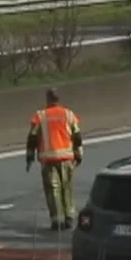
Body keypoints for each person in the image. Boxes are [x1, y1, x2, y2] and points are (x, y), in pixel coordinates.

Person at [26, 89, 84, 231]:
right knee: (67, 187)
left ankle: (57, 220)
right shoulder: (68, 114)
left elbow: (32, 138)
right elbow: (77, 136)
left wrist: (29, 157)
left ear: (48, 99)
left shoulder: (40, 116)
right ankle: (69, 217)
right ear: (58, 99)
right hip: (66, 158)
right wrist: (79, 154)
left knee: (53, 190)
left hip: (48, 159)